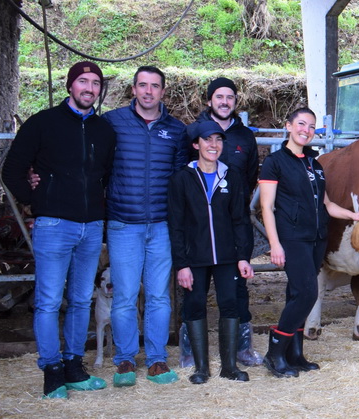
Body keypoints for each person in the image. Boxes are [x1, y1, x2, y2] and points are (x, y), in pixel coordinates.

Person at [2, 61, 115, 399]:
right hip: (54, 224)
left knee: (81, 299)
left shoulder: (103, 130)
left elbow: (104, 176)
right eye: (83, 81)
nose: (89, 88)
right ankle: (51, 371)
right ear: (70, 86)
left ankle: (74, 365)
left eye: (95, 83)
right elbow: (13, 171)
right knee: (50, 300)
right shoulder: (42, 123)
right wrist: (37, 199)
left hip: (91, 226)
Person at [259, 107, 359, 378]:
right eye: (301, 124)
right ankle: (274, 353)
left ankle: (295, 355)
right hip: (292, 238)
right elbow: (266, 207)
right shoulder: (276, 162)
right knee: (307, 294)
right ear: (289, 126)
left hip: (316, 238)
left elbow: (327, 204)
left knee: (297, 294)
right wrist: (275, 243)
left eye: (311, 126)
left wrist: (353, 215)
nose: (306, 130)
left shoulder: (314, 164)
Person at [103, 65, 189, 386]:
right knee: (125, 295)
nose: (148, 91)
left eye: (155, 86)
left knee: (158, 296)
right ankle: (125, 359)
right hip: (124, 223)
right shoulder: (112, 123)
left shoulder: (176, 130)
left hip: (162, 225)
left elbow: (181, 180)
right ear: (134, 89)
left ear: (163, 92)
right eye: (143, 85)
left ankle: (156, 359)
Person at [179, 77, 264, 370]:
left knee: (237, 292)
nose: (224, 101)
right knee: (193, 293)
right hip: (198, 228)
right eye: (219, 97)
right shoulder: (192, 131)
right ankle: (190, 352)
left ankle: (242, 349)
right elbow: (182, 176)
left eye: (230, 97)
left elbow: (250, 177)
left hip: (233, 225)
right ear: (209, 101)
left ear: (235, 101)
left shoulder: (245, 137)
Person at [168, 120, 255, 384]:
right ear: (196, 145)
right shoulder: (182, 179)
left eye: (218, 140)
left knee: (230, 304)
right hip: (195, 258)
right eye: (207, 140)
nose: (213, 145)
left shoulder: (232, 177)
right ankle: (201, 368)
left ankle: (229, 366)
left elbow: (240, 219)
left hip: (228, 257)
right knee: (194, 305)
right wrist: (181, 264)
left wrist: (243, 256)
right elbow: (176, 224)